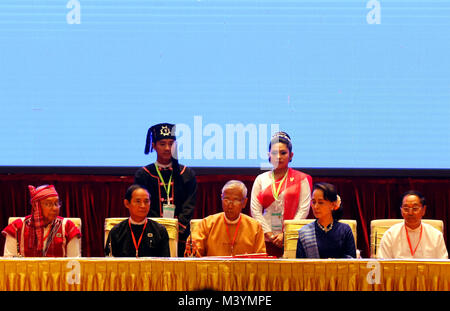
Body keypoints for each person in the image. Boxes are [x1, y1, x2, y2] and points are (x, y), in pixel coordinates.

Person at [134, 123, 197, 257]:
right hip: (151, 233)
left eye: (171, 143)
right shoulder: (144, 174)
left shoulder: (186, 173)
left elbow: (189, 205)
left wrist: (178, 226)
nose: (167, 148)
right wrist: (159, 227)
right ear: (154, 146)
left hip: (181, 235)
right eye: (162, 144)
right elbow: (142, 205)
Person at [250, 131, 312, 257]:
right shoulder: (260, 179)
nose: (278, 156)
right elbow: (255, 211)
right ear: (268, 155)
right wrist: (270, 234)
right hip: (265, 239)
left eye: (283, 153)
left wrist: (286, 234)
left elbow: (303, 210)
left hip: (292, 239)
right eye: (274, 153)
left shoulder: (302, 179)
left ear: (291, 155)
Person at [185, 180, 266, 257]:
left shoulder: (255, 227)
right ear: (221, 198)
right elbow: (193, 254)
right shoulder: (207, 223)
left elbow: (260, 260)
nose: (230, 205)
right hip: (213, 270)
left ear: (244, 202)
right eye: (226, 199)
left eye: (235, 200)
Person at [2, 185, 81, 257]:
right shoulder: (17, 227)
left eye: (56, 203)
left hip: (59, 272)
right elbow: (9, 262)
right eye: (48, 204)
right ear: (35, 206)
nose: (55, 208)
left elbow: (74, 263)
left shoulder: (68, 227)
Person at [377, 190, 448, 259]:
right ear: (401, 210)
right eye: (406, 208)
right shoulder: (390, 235)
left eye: (415, 208)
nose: (410, 213)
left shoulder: (435, 235)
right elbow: (383, 264)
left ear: (423, 210)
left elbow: (443, 265)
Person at [105, 184, 170, 257]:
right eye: (138, 201)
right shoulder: (116, 231)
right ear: (127, 203)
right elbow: (109, 263)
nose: (143, 206)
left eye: (146, 201)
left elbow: (166, 264)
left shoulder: (160, 231)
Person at [296, 182, 356, 259]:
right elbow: (299, 266)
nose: (315, 206)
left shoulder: (345, 230)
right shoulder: (304, 232)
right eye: (313, 202)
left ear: (332, 205)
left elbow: (352, 262)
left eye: (320, 202)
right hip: (312, 271)